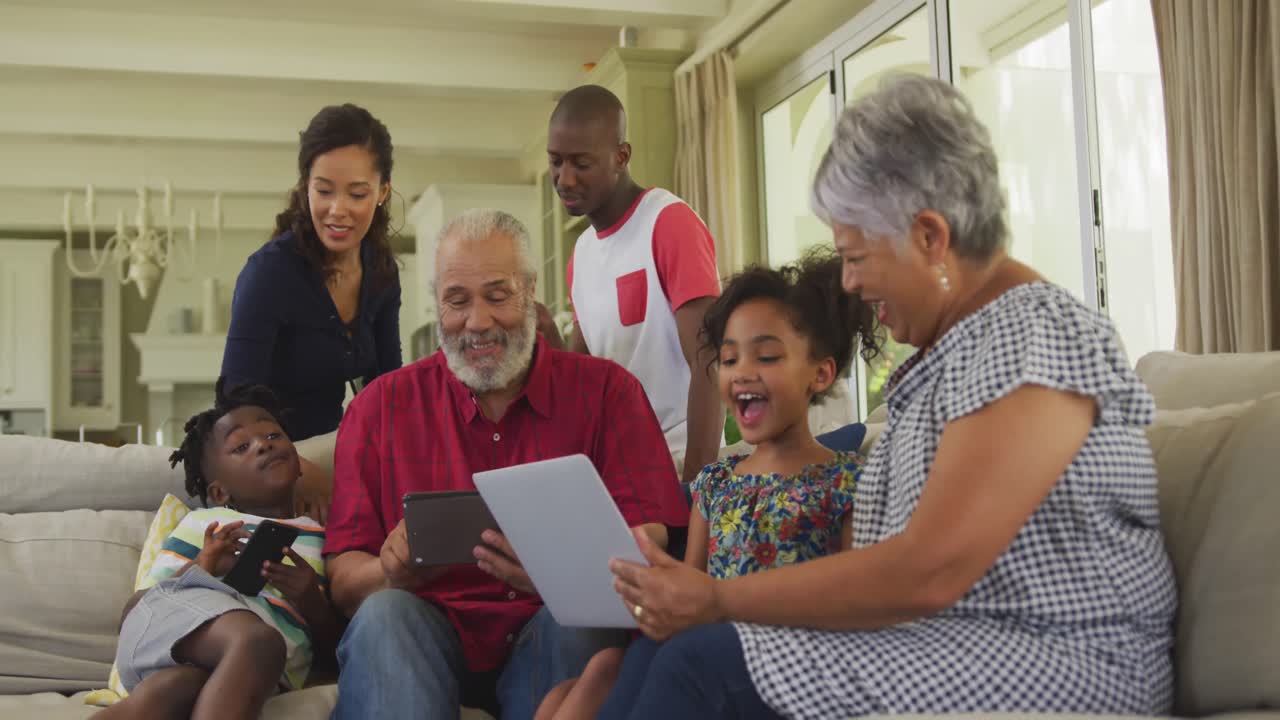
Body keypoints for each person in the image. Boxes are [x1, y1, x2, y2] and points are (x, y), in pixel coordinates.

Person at [593, 74, 1178, 719]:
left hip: (1054, 662)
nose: (847, 282)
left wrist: (718, 600)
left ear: (929, 237)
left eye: (856, 256)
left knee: (697, 662)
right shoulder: (950, 356)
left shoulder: (1031, 336)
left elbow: (932, 568)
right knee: (661, 646)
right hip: (943, 647)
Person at [323, 208, 689, 720]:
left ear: (530, 291)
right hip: (425, 626)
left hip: (552, 626)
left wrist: (558, 569)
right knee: (384, 612)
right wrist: (387, 571)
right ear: (437, 304)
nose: (478, 322)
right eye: (458, 301)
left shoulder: (608, 392)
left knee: (579, 621)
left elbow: (650, 538)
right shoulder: (379, 408)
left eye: (497, 296)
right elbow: (343, 580)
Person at [535, 249, 879, 720]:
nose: (742, 372)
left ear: (820, 373)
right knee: (598, 670)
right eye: (730, 358)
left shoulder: (845, 480)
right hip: (698, 646)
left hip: (785, 667)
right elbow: (688, 588)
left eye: (768, 355)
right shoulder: (715, 484)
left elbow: (858, 603)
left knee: (657, 660)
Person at [96, 381, 339, 720]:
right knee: (259, 642)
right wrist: (203, 565)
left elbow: (336, 652)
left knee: (176, 689)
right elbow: (139, 609)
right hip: (177, 637)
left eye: (272, 436)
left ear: (300, 463)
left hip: (257, 674)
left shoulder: (321, 536)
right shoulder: (208, 523)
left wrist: (310, 600)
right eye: (241, 447)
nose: (263, 446)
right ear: (220, 492)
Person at [547, 84, 722, 484]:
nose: (564, 178)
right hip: (615, 471)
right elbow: (584, 382)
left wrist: (697, 486)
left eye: (581, 163)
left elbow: (708, 359)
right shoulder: (583, 254)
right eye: (556, 162)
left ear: (621, 156)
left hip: (676, 462)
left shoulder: (668, 222)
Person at [221, 103, 402, 443]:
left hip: (331, 453)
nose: (338, 210)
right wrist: (294, 468)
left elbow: (388, 390)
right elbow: (235, 405)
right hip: (264, 463)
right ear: (306, 187)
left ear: (382, 193)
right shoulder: (270, 273)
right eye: (324, 191)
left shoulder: (381, 272)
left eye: (358, 193)